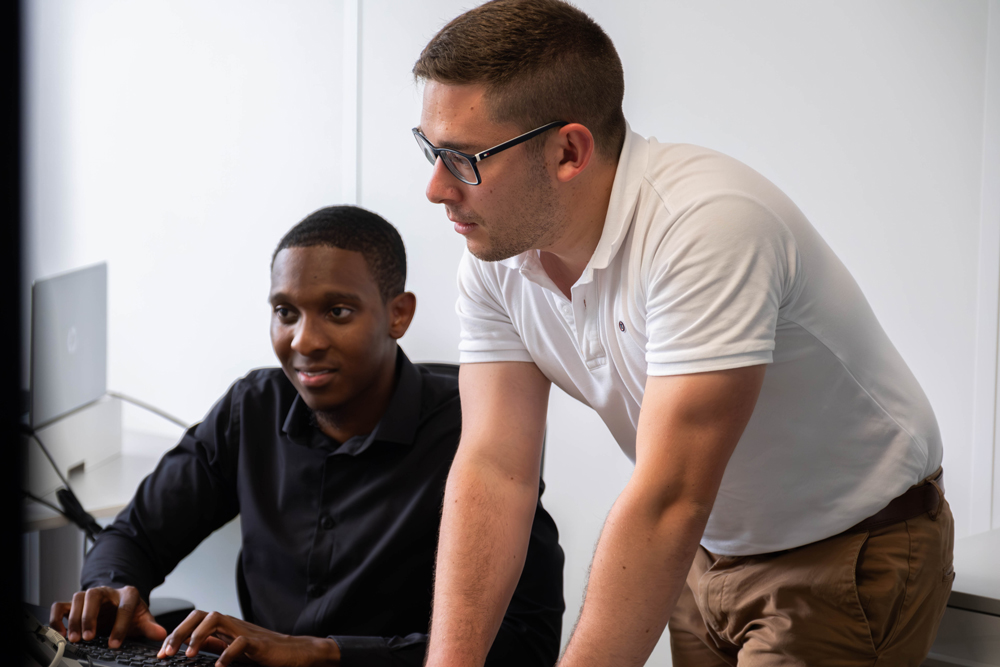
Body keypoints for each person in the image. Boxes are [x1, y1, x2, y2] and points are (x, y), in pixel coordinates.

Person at [410, 1, 952, 666]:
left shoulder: (707, 228)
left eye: (464, 158)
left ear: (569, 151)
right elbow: (496, 468)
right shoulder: (498, 254)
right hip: (702, 553)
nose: (436, 187)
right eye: (430, 149)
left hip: (842, 550)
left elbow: (668, 498)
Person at [49, 206, 565, 667]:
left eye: (337, 312)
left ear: (398, 314)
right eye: (285, 313)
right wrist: (112, 590)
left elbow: (524, 644)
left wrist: (324, 654)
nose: (303, 341)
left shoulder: (475, 427)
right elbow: (135, 536)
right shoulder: (251, 408)